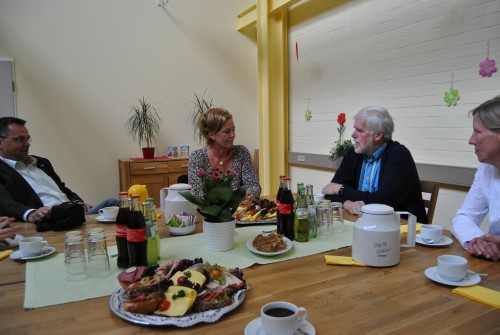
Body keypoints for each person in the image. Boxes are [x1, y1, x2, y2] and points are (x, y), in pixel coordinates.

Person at [0, 117, 118, 223]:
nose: (27, 144)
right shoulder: (3, 170)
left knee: (121, 205)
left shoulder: (41, 163)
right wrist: (30, 213)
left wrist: (77, 202)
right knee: (113, 204)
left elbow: (63, 189)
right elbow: (6, 203)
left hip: (74, 213)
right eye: (19, 139)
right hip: (52, 220)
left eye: (28, 139)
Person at [322, 106, 427, 223]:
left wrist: (340, 189)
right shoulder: (354, 153)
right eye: (354, 129)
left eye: (360, 130)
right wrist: (348, 203)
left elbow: (383, 203)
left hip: (403, 228)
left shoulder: (399, 155)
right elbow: (329, 193)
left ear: (377, 135)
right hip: (366, 222)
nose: (353, 134)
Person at [451, 95, 500, 261]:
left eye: (478, 132)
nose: (471, 140)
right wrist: (477, 240)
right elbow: (464, 217)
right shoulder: (486, 169)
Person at [188, 108, 261, 199]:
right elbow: (197, 195)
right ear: (211, 134)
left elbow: (254, 186)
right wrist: (233, 198)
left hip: (240, 211)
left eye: (233, 130)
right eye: (227, 132)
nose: (233, 135)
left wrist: (249, 194)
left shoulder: (242, 153)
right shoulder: (197, 157)